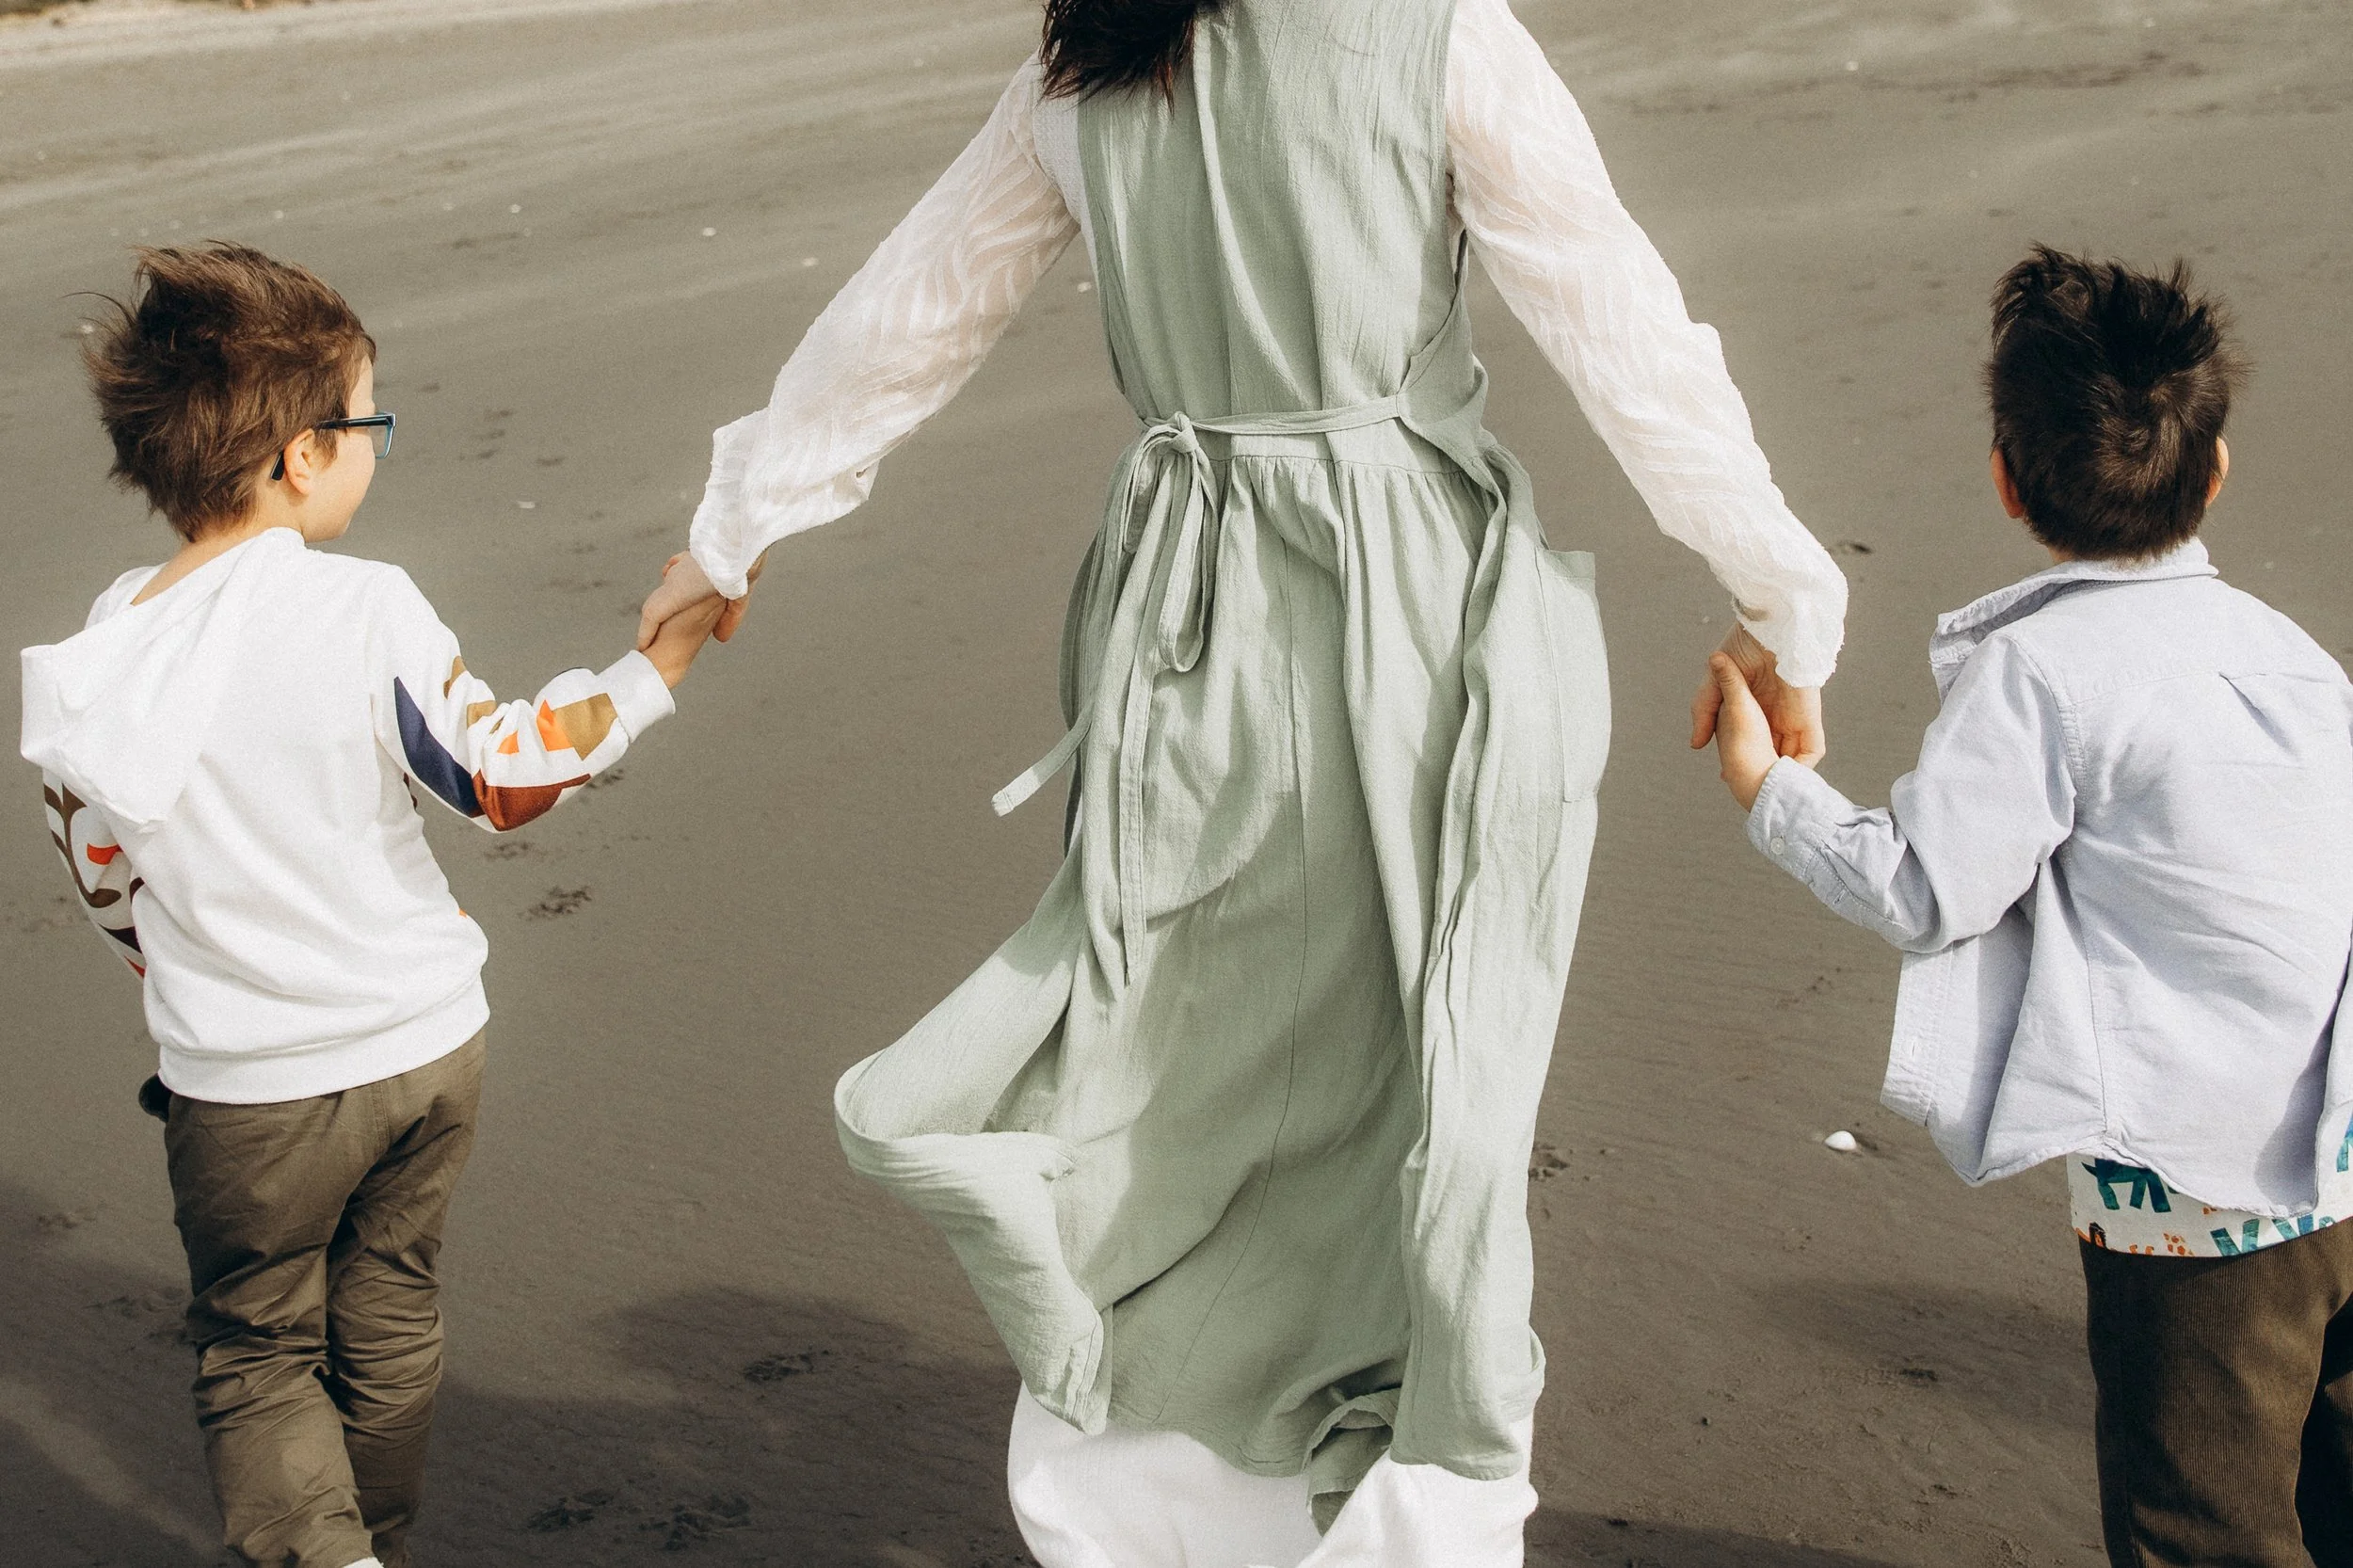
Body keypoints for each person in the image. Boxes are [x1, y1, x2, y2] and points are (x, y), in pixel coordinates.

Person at [637, 0, 1847, 1560]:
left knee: (1167, 1063)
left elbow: (915, 308)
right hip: (1405, 609)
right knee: (1427, 1062)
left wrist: (737, 520)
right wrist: (1781, 599)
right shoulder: (1434, 32)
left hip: (1177, 620)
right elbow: (1616, 315)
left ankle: (1143, 1510)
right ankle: (1409, 1500)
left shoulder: (1092, 54)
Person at [19, 243, 723, 1568]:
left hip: (247, 1086)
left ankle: (332, 1551)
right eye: (369, 422)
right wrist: (653, 661)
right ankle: (368, 1535)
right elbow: (499, 776)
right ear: (300, 456)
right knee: (389, 1304)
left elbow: (101, 869)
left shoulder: (107, 642)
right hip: (421, 1047)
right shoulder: (362, 607)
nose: (374, 451)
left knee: (257, 1343)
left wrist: (172, 969)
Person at [1702, 247, 2353, 1566]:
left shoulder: (2040, 672)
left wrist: (1772, 790)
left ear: (2008, 477)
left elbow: (1927, 886)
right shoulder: (2293, 653)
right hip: (2340, 1148)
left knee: (2202, 1518)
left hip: (2197, 1194)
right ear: (2212, 470)